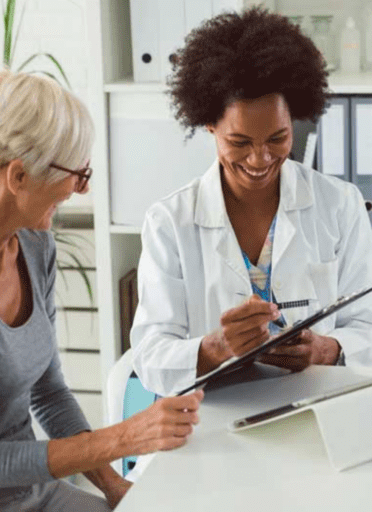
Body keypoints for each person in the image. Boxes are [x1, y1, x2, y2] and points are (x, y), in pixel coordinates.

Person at [0, 70, 203, 512]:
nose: (82, 188)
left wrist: (112, 487)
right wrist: (123, 438)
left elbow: (49, 393)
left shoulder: (32, 244)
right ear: (18, 176)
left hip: (29, 488)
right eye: (77, 173)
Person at [130, 7, 372, 397]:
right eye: (239, 142)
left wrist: (328, 349)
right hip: (213, 415)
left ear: (296, 119)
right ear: (210, 124)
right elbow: (149, 355)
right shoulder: (170, 223)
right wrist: (215, 348)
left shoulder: (340, 205)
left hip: (322, 405)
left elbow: (367, 325)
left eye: (277, 138)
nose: (259, 159)